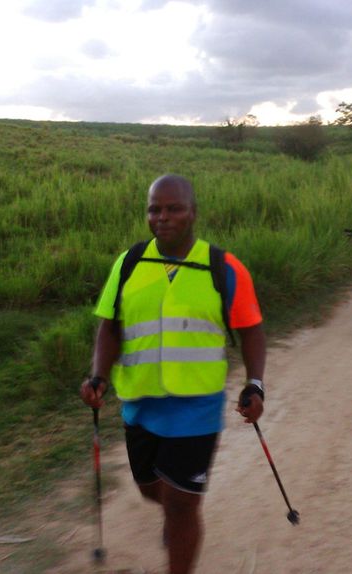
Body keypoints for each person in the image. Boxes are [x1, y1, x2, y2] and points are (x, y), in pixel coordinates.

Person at [79, 174, 266, 574]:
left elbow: (251, 329)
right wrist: (98, 375)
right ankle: (177, 516)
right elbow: (110, 326)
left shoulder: (223, 267)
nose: (163, 217)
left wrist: (255, 384)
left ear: (193, 213)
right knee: (152, 492)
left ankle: (181, 537)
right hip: (140, 404)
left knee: (182, 504)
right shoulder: (129, 263)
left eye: (174, 208)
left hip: (197, 406)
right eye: (154, 209)